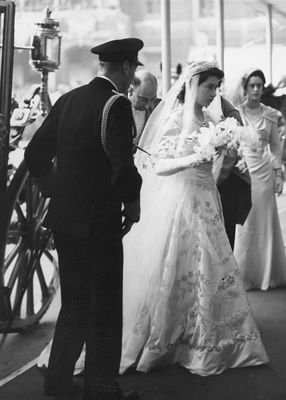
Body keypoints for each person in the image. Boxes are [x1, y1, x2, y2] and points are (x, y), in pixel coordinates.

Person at [120, 61, 268, 377]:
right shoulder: (175, 119)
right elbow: (158, 165)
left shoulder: (211, 119)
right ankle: (174, 337)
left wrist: (225, 156)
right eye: (209, 86)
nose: (213, 93)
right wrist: (195, 157)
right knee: (180, 266)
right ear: (192, 86)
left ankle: (211, 337)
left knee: (212, 266)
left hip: (207, 198)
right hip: (182, 200)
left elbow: (216, 171)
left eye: (217, 87)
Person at [24, 38, 143, 400]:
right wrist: (133, 203)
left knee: (74, 303)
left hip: (64, 222)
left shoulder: (69, 99)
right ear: (124, 67)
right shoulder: (116, 105)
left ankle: (57, 382)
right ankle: (101, 386)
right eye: (133, 70)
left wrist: (50, 190)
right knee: (104, 305)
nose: (133, 78)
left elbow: (34, 153)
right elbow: (123, 169)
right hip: (100, 224)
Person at [231, 68, 286, 291]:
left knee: (263, 222)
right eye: (252, 85)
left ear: (263, 88)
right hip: (241, 170)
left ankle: (266, 274)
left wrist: (278, 173)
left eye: (259, 86)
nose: (255, 89)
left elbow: (275, 147)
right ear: (245, 88)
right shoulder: (235, 114)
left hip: (263, 173)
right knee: (244, 224)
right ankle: (243, 274)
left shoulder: (271, 114)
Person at [128, 69, 160, 148]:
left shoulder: (155, 110)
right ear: (131, 90)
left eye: (152, 99)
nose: (148, 106)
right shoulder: (116, 108)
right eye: (143, 99)